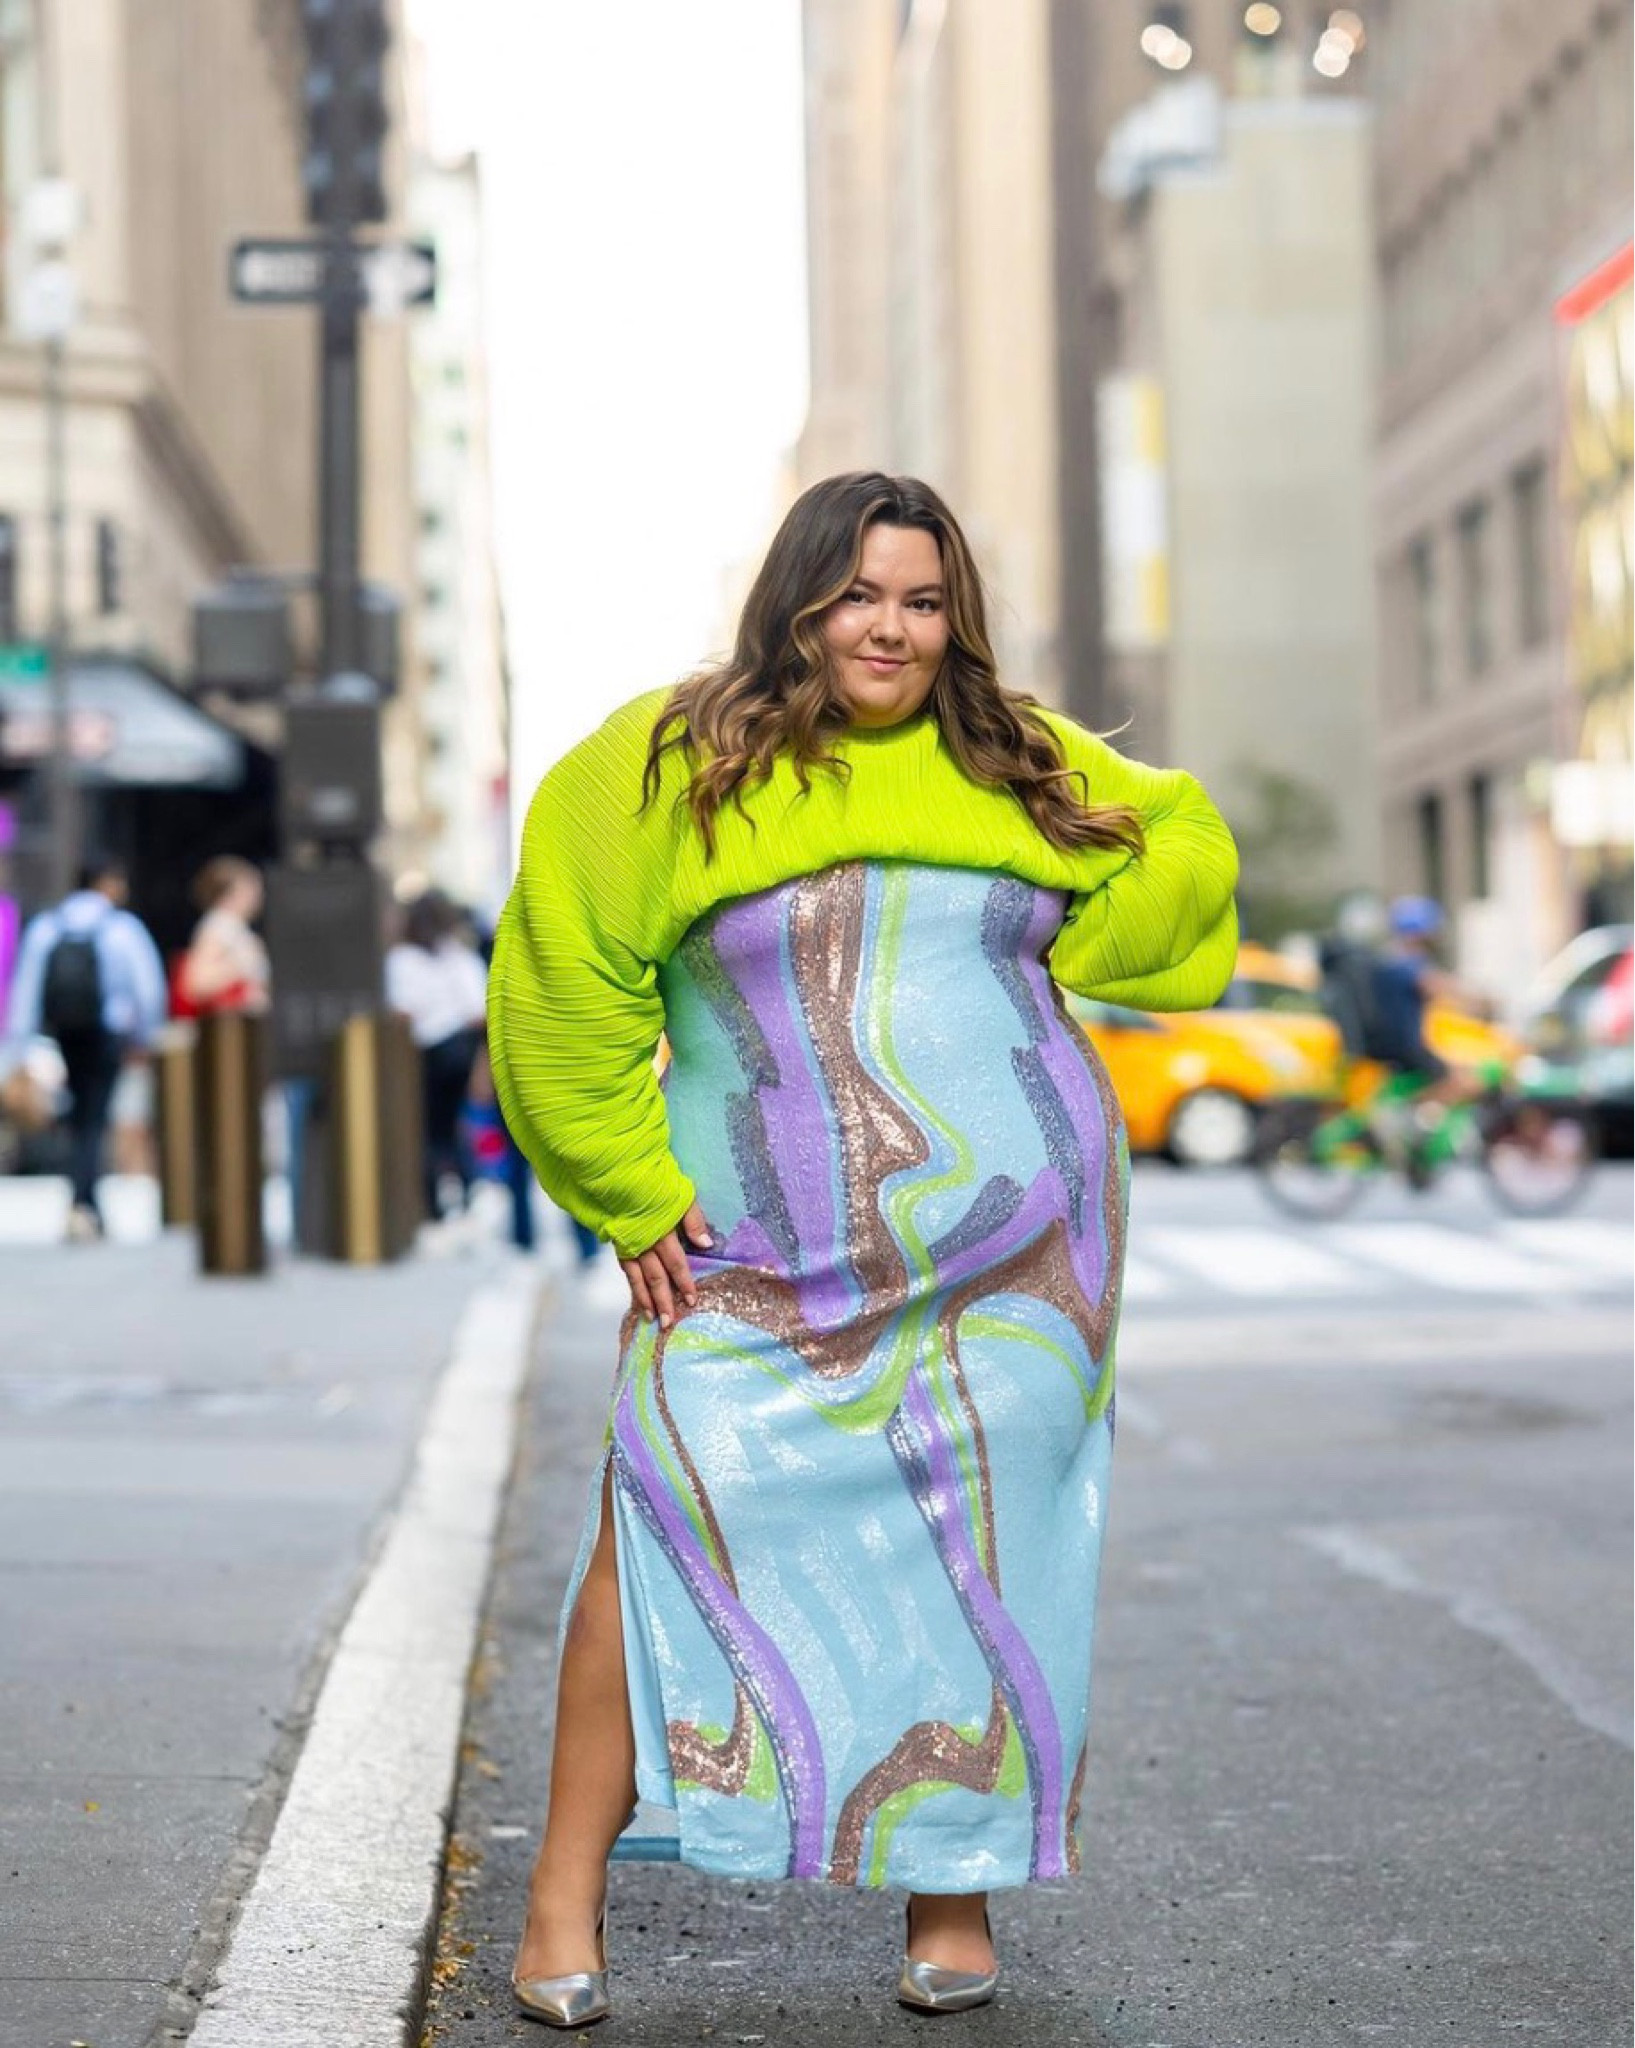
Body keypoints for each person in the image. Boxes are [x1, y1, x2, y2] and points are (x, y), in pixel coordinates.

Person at [488, 472, 1238, 2027]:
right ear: (798, 598)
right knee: (656, 1529)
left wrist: (1097, 917)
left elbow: (1174, 844)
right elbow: (564, 981)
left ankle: (949, 1891)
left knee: (975, 1553)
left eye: (919, 598)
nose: (886, 628)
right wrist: (628, 1192)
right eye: (857, 595)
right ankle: (563, 1891)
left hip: (1013, 1258)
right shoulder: (661, 763)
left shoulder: (1013, 756)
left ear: (949, 614)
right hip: (754, 1255)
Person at [3, 857, 167, 1240]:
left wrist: (19, 1046)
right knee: (94, 1116)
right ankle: (85, 1201)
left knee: (80, 1115)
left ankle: (83, 1198)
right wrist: (147, 1035)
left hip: (66, 1033)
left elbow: (26, 988)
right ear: (107, 883)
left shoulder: (48, 926)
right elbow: (147, 989)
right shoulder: (122, 929)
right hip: (106, 1035)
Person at [386, 889, 489, 1220]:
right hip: (461, 1048)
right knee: (456, 1123)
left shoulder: (401, 961)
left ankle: (433, 1205)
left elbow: (401, 1010)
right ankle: (467, 1187)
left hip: (422, 1054)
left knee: (427, 1129)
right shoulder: (461, 959)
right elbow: (478, 1009)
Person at [176, 856, 270, 1017]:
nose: (258, 895)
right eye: (250, 888)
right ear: (230, 892)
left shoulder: (234, 927)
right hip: (229, 1027)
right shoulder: (219, 924)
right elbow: (196, 983)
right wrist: (239, 966)